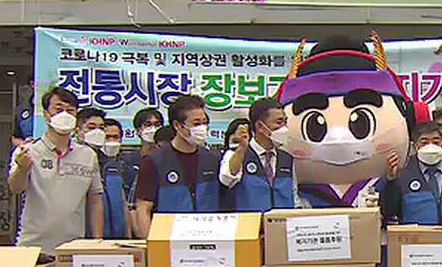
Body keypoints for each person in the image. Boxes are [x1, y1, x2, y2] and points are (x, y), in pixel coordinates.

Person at [7, 87, 103, 257]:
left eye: (70, 110)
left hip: (74, 247)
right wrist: (22, 167)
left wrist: (97, 242)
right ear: (46, 115)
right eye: (58, 109)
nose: (64, 115)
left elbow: (95, 200)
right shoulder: (28, 151)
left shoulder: (88, 155)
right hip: (33, 247)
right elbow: (15, 188)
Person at [133, 95, 221, 236]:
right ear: (177, 125)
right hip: (168, 237)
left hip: (208, 235)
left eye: (204, 123)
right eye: (196, 124)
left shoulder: (213, 158)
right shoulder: (154, 160)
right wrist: (149, 243)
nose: (202, 128)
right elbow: (143, 208)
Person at [383, 122, 442, 226]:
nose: (430, 146)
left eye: (436, 142)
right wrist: (391, 179)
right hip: (415, 235)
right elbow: (389, 211)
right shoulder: (402, 176)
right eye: (424, 142)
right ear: (415, 147)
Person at [219, 97, 296, 212]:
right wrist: (241, 150)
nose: (284, 128)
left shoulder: (287, 159)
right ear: (260, 126)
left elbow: (294, 194)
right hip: (250, 221)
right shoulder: (236, 154)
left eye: (285, 122)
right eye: (279, 122)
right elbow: (226, 180)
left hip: (281, 221)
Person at [94, 118, 131, 238]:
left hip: (119, 233)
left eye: (115, 137)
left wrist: (128, 236)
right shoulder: (90, 161)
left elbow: (124, 203)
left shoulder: (126, 165)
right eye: (107, 137)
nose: (111, 141)